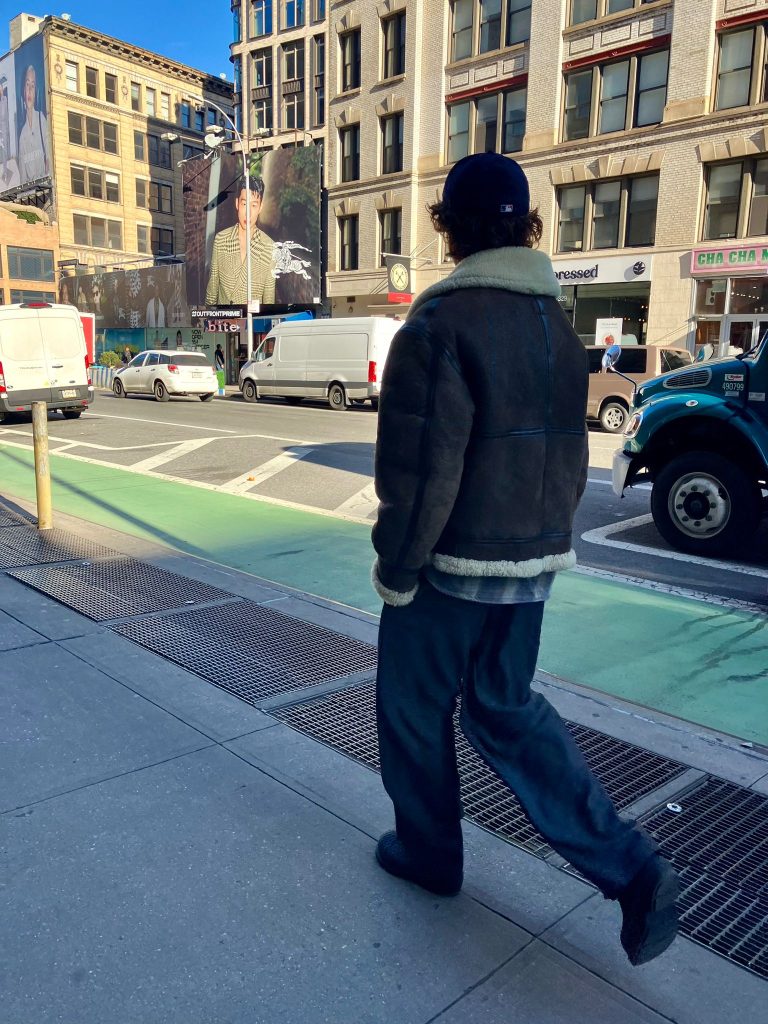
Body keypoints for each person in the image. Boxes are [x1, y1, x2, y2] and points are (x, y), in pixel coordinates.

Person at [370, 153, 679, 968]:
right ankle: (634, 869)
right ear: (526, 228)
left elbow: (420, 472)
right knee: (504, 709)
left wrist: (397, 569)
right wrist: (541, 544)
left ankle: (429, 854)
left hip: (450, 569)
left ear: (449, 229)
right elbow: (571, 463)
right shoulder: (557, 328)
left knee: (411, 708)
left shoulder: (439, 326)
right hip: (531, 565)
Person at [205, 175, 276, 306]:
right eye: (244, 204)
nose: (248, 213)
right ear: (237, 203)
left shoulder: (270, 247)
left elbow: (269, 300)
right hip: (225, 317)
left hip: (252, 318)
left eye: (254, 205)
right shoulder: (220, 240)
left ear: (260, 207)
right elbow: (212, 290)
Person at [17, 64, 49, 183]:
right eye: (27, 84)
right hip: (31, 192)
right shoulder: (22, 136)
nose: (30, 90)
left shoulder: (42, 120)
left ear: (36, 92)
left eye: (33, 85)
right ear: (23, 91)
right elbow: (23, 178)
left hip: (45, 188)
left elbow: (50, 157)